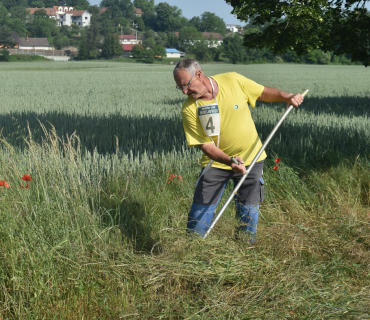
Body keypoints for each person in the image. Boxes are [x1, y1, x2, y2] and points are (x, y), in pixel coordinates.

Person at [173, 59, 304, 241]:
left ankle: (245, 248)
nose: (185, 92)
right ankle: (193, 248)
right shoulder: (189, 108)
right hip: (216, 164)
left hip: (252, 158)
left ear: (198, 74)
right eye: (180, 88)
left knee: (248, 210)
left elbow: (262, 93)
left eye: (186, 86)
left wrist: (287, 97)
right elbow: (206, 146)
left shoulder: (232, 81)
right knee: (200, 211)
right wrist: (230, 161)